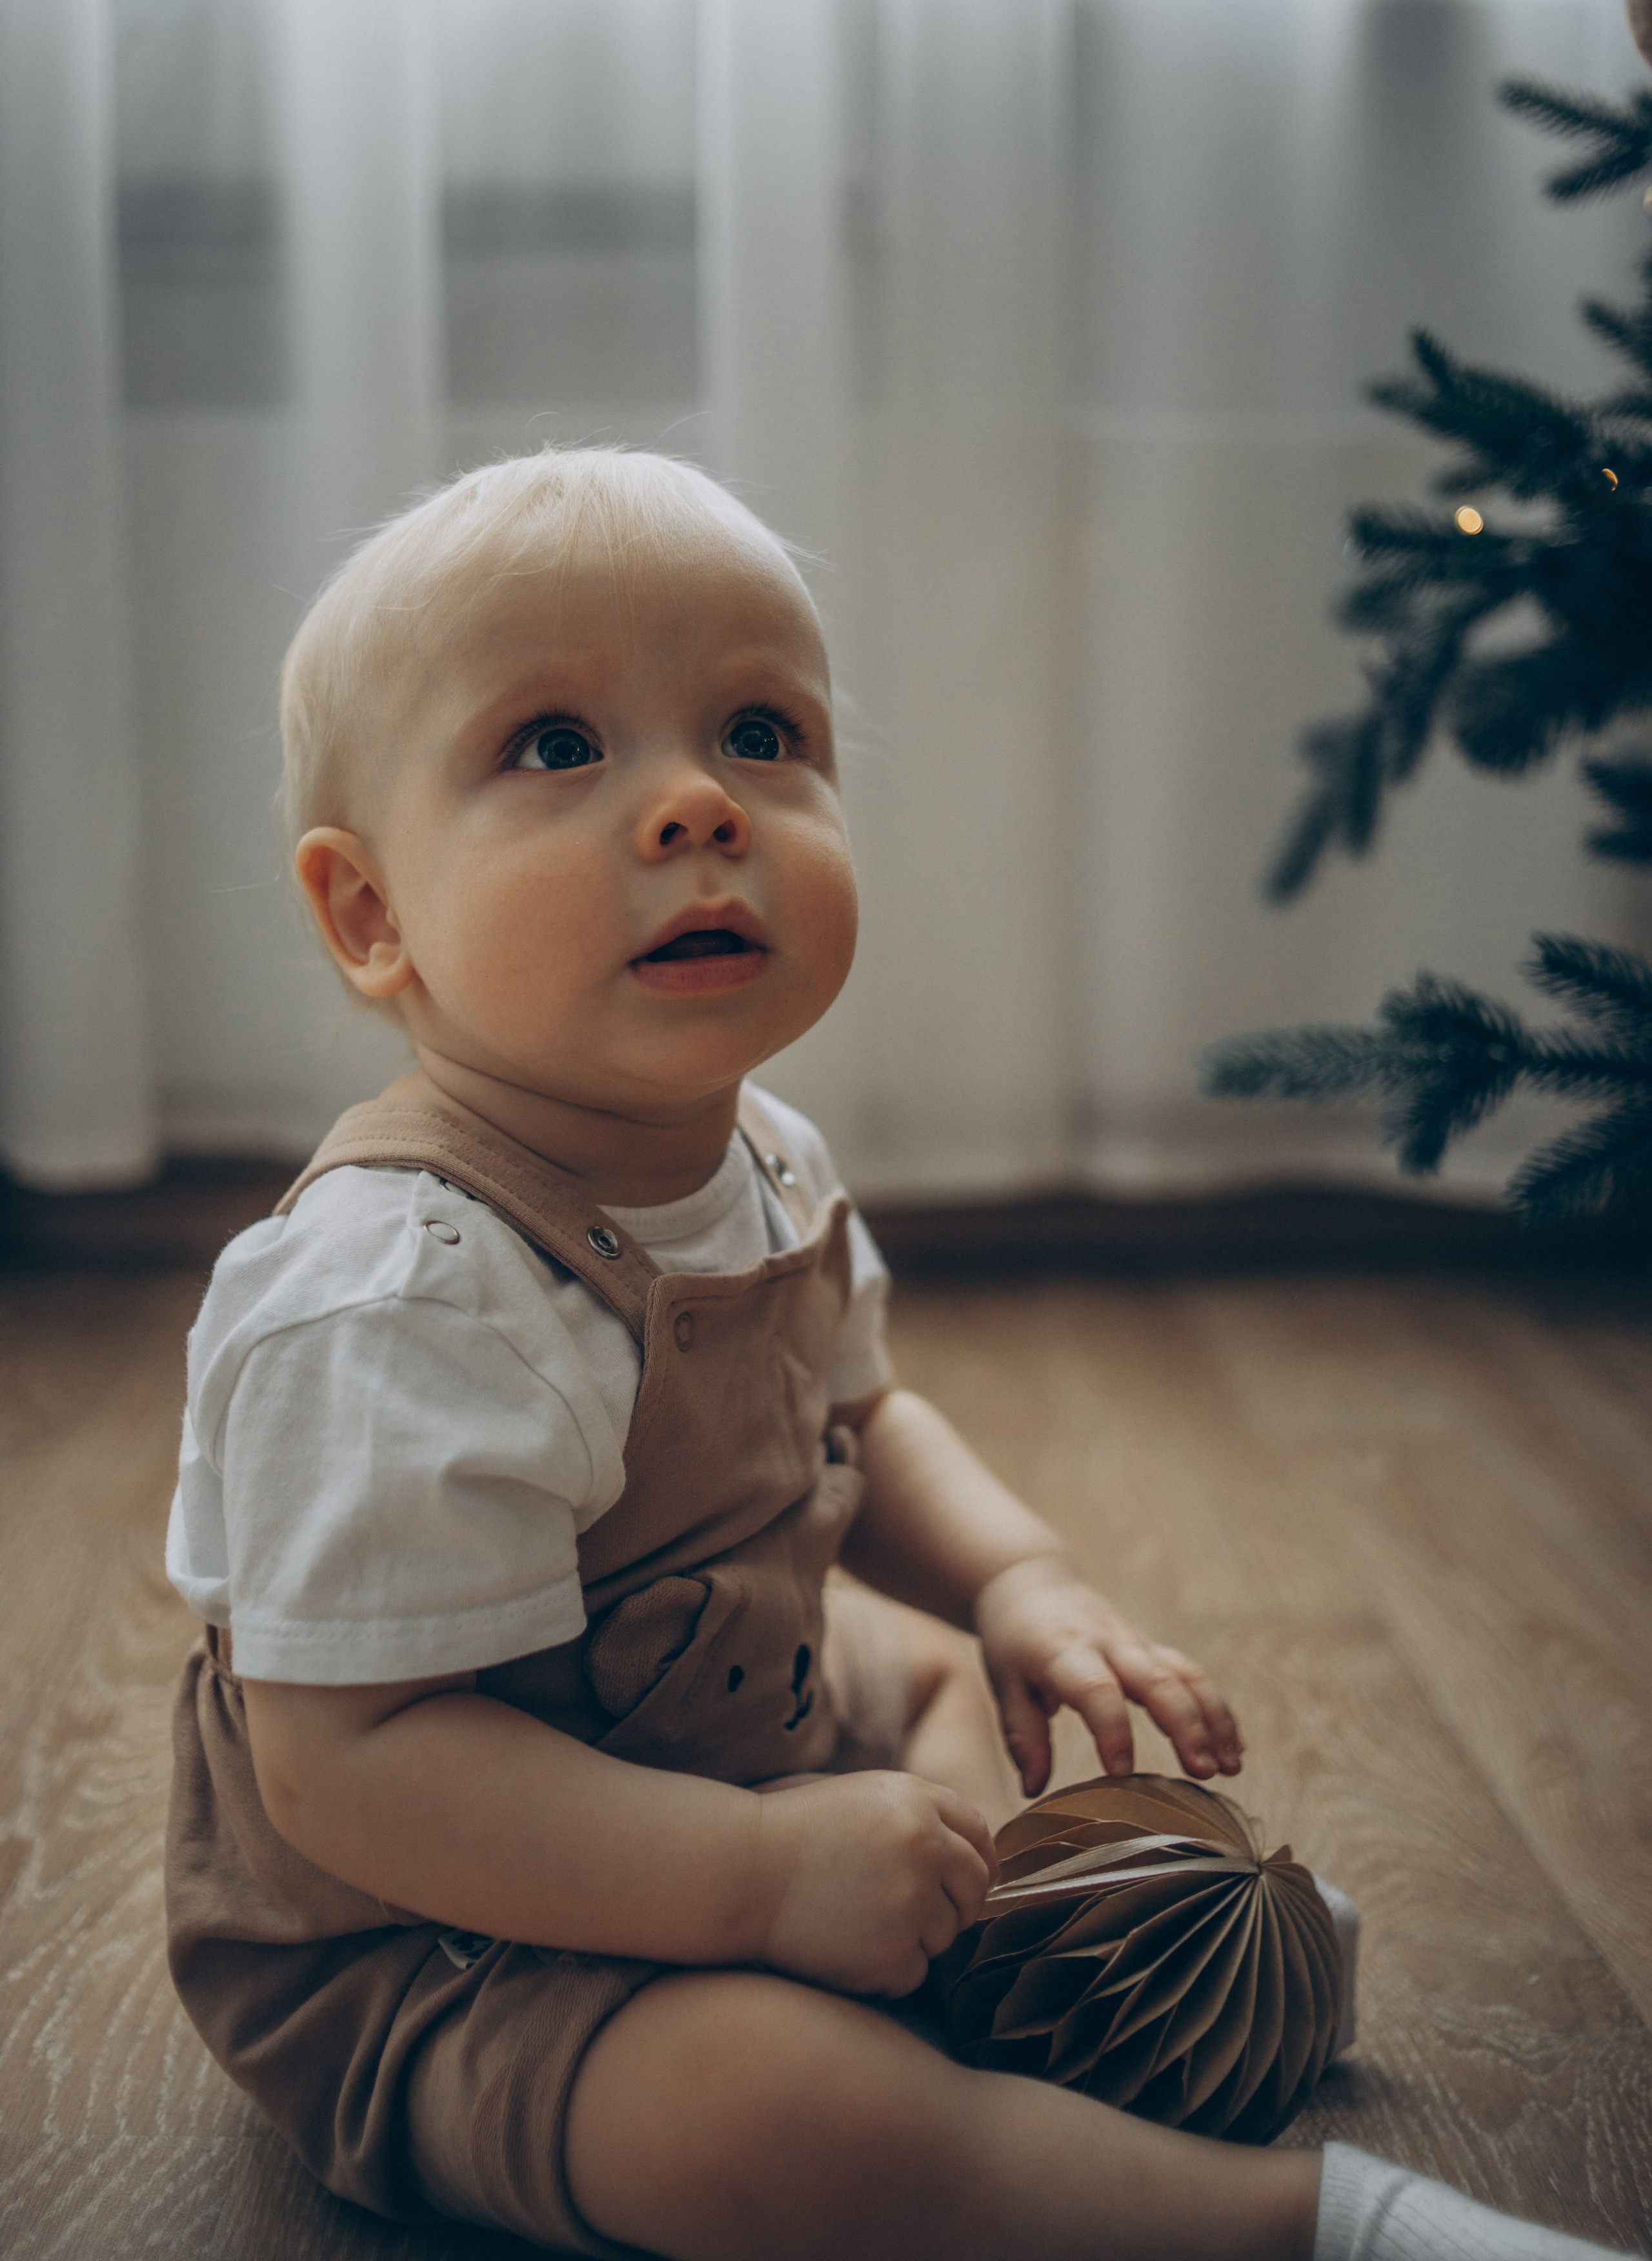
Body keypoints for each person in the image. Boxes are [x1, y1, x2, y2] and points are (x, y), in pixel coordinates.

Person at [165, 451, 1636, 2261]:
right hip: (447, 1942)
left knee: (938, 1681)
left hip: (726, 1707)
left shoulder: (767, 1155)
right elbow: (354, 1767)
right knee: (767, 2119)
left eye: (760, 734)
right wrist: (756, 1877)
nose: (698, 804)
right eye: (556, 746)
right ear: (370, 913)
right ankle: (1294, 2224)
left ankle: (1029, 1967)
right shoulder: (398, 1295)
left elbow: (856, 1416)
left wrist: (1021, 1582)